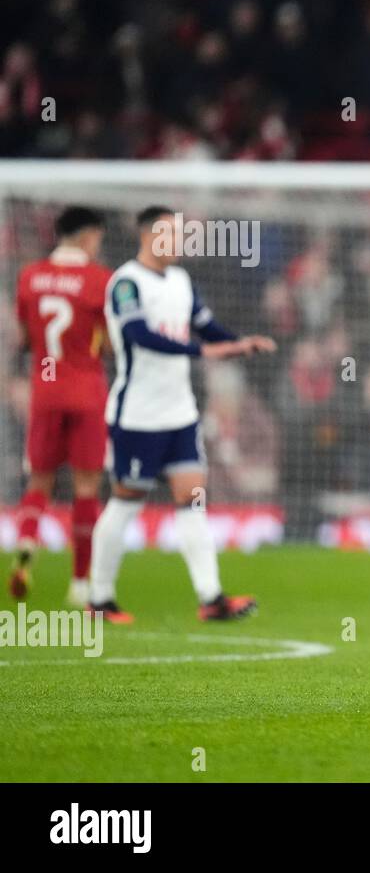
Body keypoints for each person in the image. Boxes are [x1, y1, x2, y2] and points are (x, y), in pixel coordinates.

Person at [88, 206, 272, 623]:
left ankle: (211, 598)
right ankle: (99, 599)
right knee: (126, 500)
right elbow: (139, 336)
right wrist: (203, 351)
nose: (181, 242)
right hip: (137, 414)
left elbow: (204, 325)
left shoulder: (181, 281)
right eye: (172, 234)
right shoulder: (126, 283)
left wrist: (239, 343)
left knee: (192, 498)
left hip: (179, 412)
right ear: (150, 236)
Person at [9, 207, 113, 606]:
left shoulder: (30, 276)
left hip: (47, 382)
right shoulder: (99, 280)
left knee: (39, 481)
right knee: (86, 487)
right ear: (88, 237)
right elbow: (107, 343)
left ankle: (27, 541)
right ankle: (80, 585)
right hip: (86, 388)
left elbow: (27, 336)